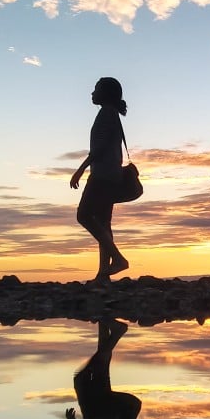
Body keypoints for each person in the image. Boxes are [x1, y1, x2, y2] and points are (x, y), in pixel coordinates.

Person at [70, 77, 130, 283]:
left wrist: (80, 169)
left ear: (106, 94)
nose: (92, 93)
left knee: (84, 216)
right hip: (112, 175)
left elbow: (100, 148)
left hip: (102, 176)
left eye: (96, 89)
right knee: (104, 224)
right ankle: (103, 274)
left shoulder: (106, 113)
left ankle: (119, 259)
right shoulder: (112, 114)